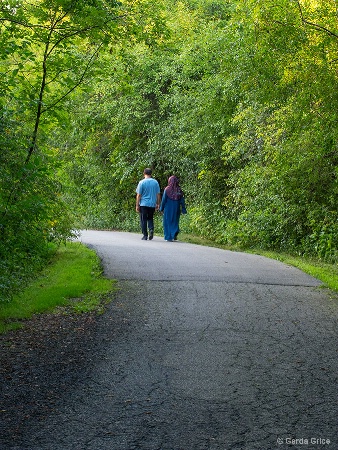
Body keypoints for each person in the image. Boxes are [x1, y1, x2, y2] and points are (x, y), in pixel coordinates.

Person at [136, 168, 161, 240]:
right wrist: (158, 203)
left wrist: (137, 205)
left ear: (144, 173)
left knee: (143, 219)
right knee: (150, 218)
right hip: (152, 204)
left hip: (143, 204)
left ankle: (145, 235)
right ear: (151, 174)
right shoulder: (155, 182)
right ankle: (151, 229)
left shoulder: (141, 183)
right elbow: (158, 194)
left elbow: (139, 195)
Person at [160, 175, 187, 241]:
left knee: (167, 222)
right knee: (175, 221)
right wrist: (183, 209)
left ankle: (168, 237)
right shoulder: (179, 190)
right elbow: (182, 201)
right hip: (176, 208)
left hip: (168, 208)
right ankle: (174, 232)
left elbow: (164, 200)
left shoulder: (167, 189)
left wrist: (161, 208)